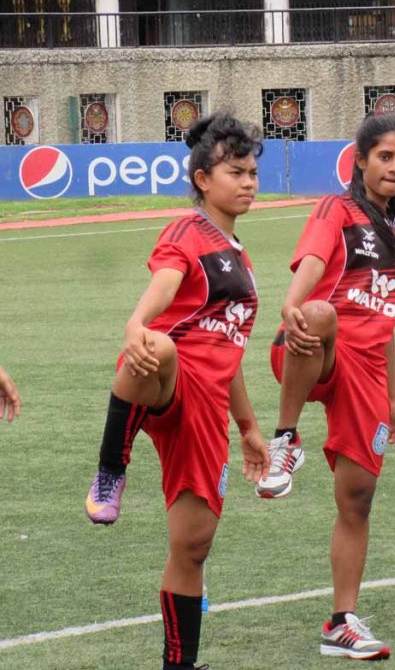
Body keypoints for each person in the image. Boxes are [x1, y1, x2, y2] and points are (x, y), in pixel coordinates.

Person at [83, 114, 269, 669]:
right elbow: (163, 285)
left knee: (193, 545)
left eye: (253, 173)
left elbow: (228, 349)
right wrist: (136, 324)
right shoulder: (186, 232)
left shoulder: (240, 256)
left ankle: (179, 664)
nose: (248, 182)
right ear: (202, 179)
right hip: (167, 381)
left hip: (209, 409)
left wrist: (249, 427)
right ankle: (110, 469)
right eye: (235, 172)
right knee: (158, 345)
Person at [266, 114, 395, 660]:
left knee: (357, 499)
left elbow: (387, 322)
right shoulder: (339, 208)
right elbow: (312, 263)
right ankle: (284, 440)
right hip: (311, 347)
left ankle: (341, 620)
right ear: (360, 160)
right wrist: (293, 304)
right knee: (320, 313)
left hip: (367, 373)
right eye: (385, 156)